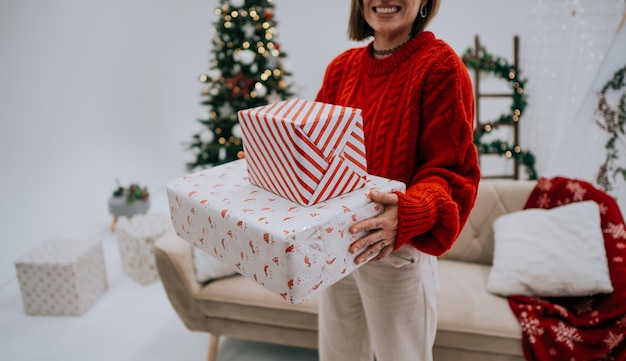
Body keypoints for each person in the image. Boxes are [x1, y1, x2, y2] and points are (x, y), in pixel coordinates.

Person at [314, 1, 481, 360]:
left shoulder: (440, 67)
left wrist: (408, 213)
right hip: (333, 247)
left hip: (395, 252)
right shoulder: (340, 70)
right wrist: (277, 159)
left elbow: (451, 172)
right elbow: (317, 154)